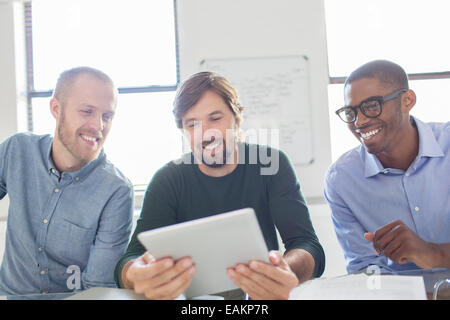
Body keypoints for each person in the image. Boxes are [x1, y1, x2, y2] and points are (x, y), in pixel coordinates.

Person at [114, 71, 325, 300]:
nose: (205, 134)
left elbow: (308, 245)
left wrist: (282, 271)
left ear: (236, 119)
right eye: (192, 124)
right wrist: (136, 274)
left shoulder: (270, 165)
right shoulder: (168, 179)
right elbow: (131, 258)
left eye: (215, 118)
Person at [0, 67, 134, 295]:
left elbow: (98, 289)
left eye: (107, 116)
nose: (99, 126)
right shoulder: (16, 150)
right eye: (87, 111)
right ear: (56, 108)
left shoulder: (117, 190)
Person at [324, 60, 450, 274]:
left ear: (407, 100)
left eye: (372, 106)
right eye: (350, 112)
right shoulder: (342, 180)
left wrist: (433, 253)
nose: (359, 122)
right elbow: (364, 269)